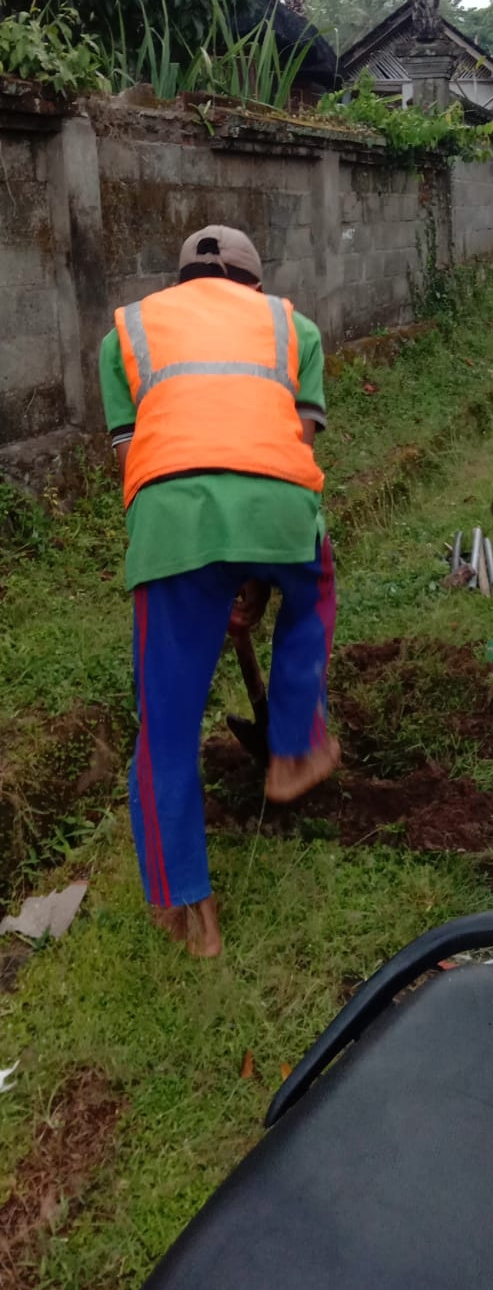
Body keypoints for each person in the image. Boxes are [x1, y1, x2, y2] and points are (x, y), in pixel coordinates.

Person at [98, 225, 340, 957]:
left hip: (173, 525)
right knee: (317, 586)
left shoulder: (129, 334)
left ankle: (187, 913)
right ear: (255, 288)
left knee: (164, 729)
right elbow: (282, 448)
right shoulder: (292, 327)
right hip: (278, 513)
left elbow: (132, 457)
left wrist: (207, 569)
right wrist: (258, 578)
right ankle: (297, 744)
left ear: (179, 286)